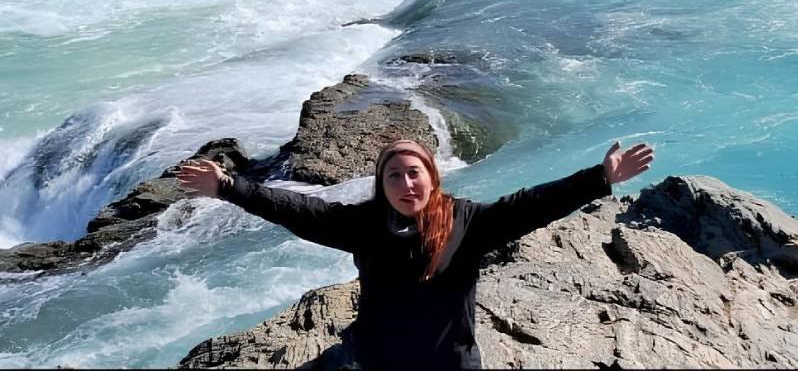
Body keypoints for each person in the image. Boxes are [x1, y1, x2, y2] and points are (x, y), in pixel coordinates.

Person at [178, 138, 653, 370]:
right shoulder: (363, 225)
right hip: (376, 361)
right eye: (394, 176)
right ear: (380, 185)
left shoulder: (468, 221)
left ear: (431, 176)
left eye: (414, 173)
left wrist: (600, 178)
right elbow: (299, 209)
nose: (406, 184)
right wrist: (228, 187)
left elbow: (532, 204)